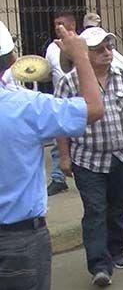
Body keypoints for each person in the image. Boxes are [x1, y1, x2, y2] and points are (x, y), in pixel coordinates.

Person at [1, 21, 103, 290]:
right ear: (11, 59)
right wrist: (81, 57)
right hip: (19, 239)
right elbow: (93, 108)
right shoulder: (25, 107)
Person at [54, 26, 123, 287]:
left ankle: (116, 251)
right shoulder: (69, 82)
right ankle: (99, 266)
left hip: (122, 156)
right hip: (87, 159)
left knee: (118, 207)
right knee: (95, 210)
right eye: (99, 49)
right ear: (85, 54)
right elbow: (60, 124)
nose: (107, 52)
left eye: (109, 47)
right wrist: (64, 158)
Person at [43, 12, 76, 195]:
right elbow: (48, 73)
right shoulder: (51, 48)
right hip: (60, 101)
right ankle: (58, 178)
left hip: (79, 100)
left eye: (61, 23)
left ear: (72, 25)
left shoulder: (82, 43)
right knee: (59, 141)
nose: (57, 26)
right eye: (56, 23)